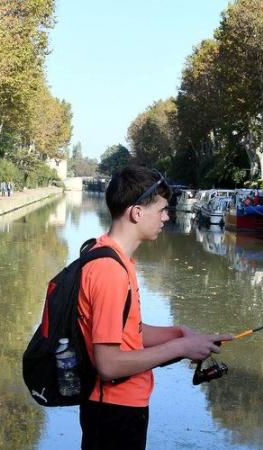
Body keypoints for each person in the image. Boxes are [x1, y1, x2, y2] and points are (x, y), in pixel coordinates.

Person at [78, 166, 231, 450]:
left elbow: (129, 331)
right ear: (137, 213)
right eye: (161, 209)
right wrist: (181, 349)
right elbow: (108, 364)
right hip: (114, 411)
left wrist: (181, 335)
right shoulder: (109, 271)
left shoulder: (116, 260)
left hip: (121, 407)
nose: (166, 216)